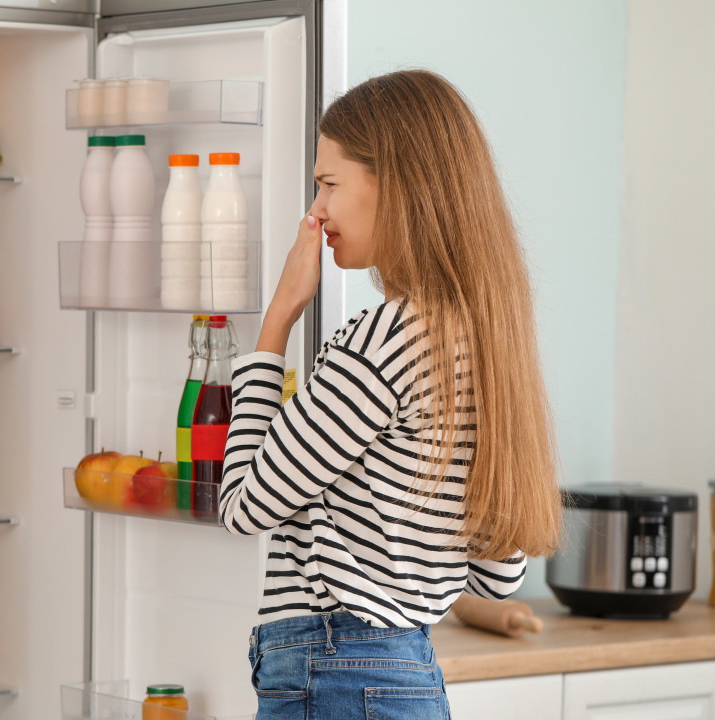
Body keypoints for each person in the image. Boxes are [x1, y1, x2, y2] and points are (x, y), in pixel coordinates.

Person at [218, 69, 563, 720]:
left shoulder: (384, 342)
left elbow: (242, 505)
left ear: (393, 185)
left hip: (336, 670)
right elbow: (495, 577)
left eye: (328, 184)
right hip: (406, 674)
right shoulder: (483, 338)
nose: (315, 211)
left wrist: (276, 323)